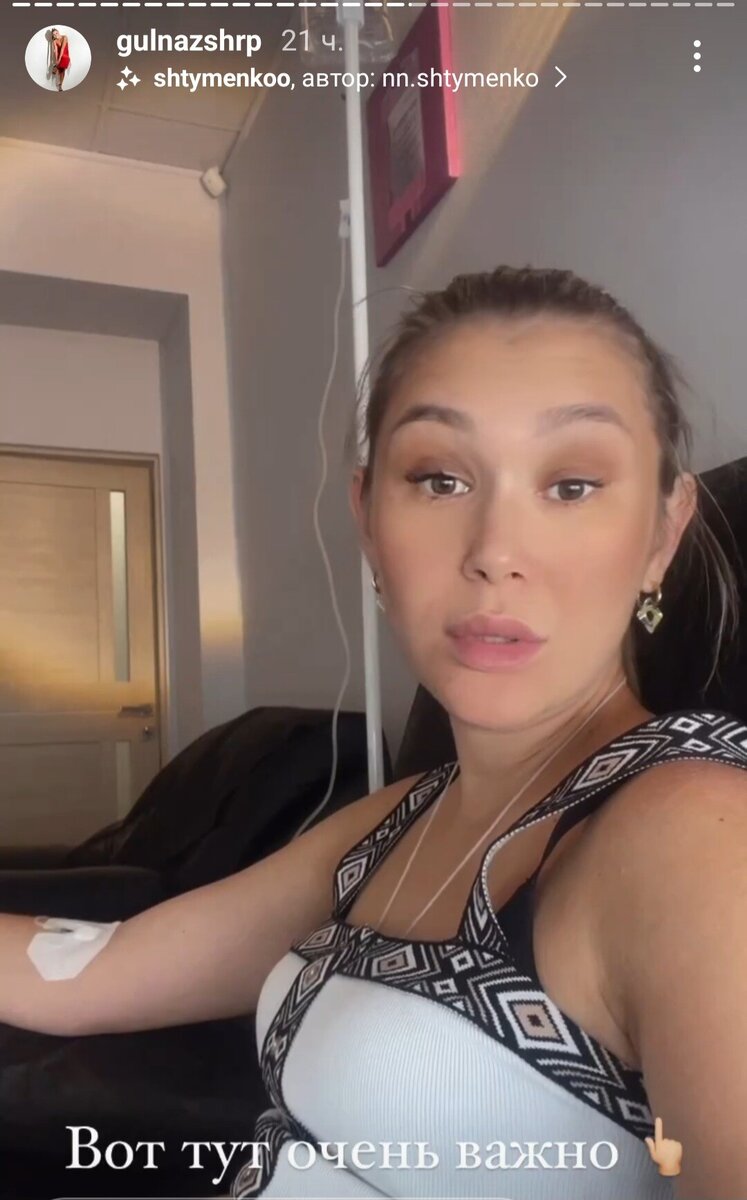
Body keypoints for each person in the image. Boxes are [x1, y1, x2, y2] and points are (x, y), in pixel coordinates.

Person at [2, 265, 746, 1199]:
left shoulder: (694, 835)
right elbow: (86, 977)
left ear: (662, 535)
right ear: (366, 519)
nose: (494, 552)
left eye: (571, 485)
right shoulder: (400, 819)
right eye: (439, 478)